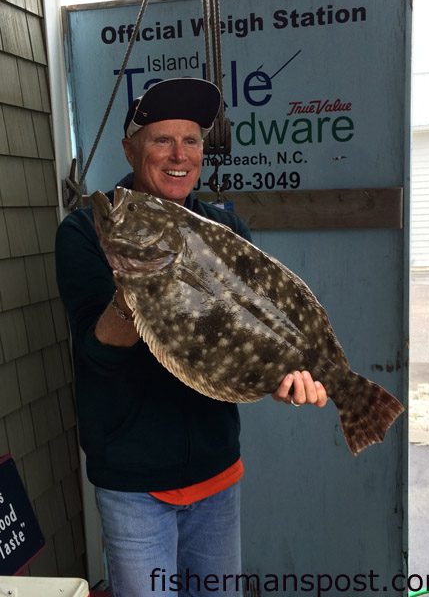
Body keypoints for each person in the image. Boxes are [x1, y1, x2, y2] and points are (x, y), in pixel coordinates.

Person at [55, 78, 328, 597]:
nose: (179, 155)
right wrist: (133, 287)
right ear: (130, 148)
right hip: (133, 484)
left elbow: (246, 339)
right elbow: (97, 355)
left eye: (193, 140)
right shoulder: (87, 232)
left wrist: (282, 376)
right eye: (162, 139)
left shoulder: (222, 230)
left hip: (216, 471)